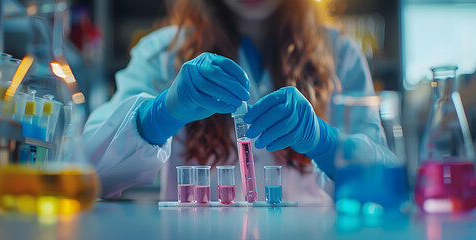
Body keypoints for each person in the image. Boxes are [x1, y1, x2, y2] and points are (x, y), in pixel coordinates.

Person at [83, 0, 390, 204]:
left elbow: (385, 186)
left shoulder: (341, 54)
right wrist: (158, 115)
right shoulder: (161, 53)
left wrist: (326, 142)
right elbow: (88, 172)